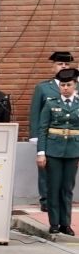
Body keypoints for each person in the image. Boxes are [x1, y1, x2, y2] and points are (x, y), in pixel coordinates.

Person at [36, 67, 79, 236]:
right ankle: (54, 223)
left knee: (67, 188)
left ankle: (65, 223)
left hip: (73, 151)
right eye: (62, 85)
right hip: (53, 151)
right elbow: (43, 128)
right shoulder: (51, 103)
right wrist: (41, 152)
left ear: (74, 85)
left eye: (68, 85)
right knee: (53, 187)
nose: (65, 88)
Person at [28, 51, 72, 212]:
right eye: (60, 64)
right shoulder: (43, 87)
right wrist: (34, 135)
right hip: (48, 135)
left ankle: (62, 199)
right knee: (46, 168)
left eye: (66, 64)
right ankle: (46, 199)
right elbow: (35, 113)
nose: (64, 67)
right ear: (53, 66)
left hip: (70, 136)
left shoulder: (75, 86)